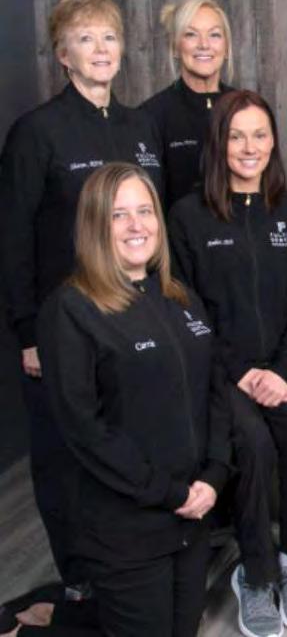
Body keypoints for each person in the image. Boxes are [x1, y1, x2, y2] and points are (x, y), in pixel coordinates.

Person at [0, 0, 163, 593]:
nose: (101, 49)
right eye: (85, 38)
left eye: (109, 37)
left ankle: (132, 566)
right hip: (63, 326)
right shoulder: (35, 133)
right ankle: (80, 582)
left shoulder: (140, 126)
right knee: (66, 460)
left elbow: (156, 227)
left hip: (136, 319)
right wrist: (26, 333)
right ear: (62, 54)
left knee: (131, 442)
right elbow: (13, 240)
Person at [36, 162, 228, 636]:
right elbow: (85, 430)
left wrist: (214, 475)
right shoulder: (71, 310)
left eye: (145, 211)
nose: (136, 225)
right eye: (118, 215)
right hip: (127, 530)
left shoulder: (180, 298)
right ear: (94, 225)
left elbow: (214, 391)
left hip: (193, 515)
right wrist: (170, 493)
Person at [169, 90, 287, 636]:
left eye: (260, 135)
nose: (249, 147)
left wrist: (281, 370)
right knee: (253, 444)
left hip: (285, 367)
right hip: (220, 373)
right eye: (236, 136)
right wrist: (240, 373)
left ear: (273, 143)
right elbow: (186, 310)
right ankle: (256, 574)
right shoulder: (188, 217)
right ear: (218, 144)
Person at [142, 0, 235, 208]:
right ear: (175, 47)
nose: (204, 45)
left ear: (226, 47)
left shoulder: (247, 110)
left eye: (214, 35)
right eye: (191, 34)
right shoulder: (150, 116)